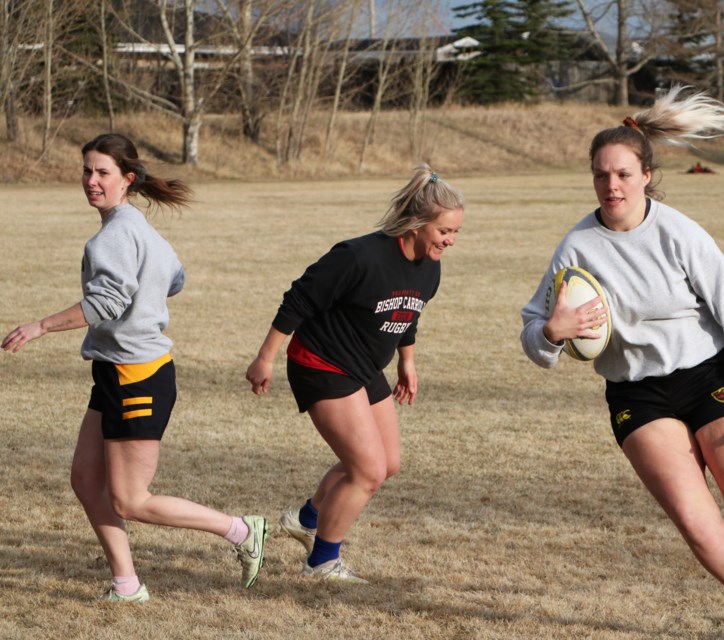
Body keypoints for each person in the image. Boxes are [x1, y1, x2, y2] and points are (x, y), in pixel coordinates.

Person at [519, 86, 724, 640]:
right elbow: (533, 334)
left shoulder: (680, 233)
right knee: (696, 520)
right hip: (638, 397)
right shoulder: (576, 248)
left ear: (645, 174)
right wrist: (550, 332)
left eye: (622, 174)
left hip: (710, 378)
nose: (611, 186)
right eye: (600, 175)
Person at [1, 134, 268, 603]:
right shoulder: (136, 225)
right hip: (113, 371)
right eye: (87, 170)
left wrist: (41, 325)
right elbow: (176, 277)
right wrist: (146, 293)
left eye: (103, 172)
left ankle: (241, 530)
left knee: (131, 499)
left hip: (136, 376)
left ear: (127, 179)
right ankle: (127, 585)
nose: (91, 181)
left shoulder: (116, 234)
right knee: (86, 479)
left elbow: (105, 301)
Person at [246, 164, 464, 584]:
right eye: (444, 232)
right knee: (367, 469)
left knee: (389, 463)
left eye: (456, 232)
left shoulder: (429, 266)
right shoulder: (359, 256)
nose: (450, 241)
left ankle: (306, 518)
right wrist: (265, 357)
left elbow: (410, 313)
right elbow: (299, 300)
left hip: (363, 367)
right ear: (417, 225)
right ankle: (322, 562)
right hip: (321, 362)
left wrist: (407, 362)